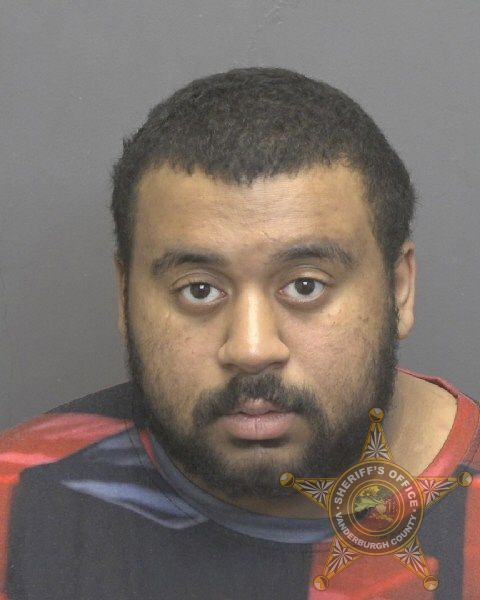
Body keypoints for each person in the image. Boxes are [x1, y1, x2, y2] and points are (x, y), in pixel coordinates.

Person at [0, 67, 478, 600]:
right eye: (199, 290)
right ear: (124, 295)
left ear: (399, 290)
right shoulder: (16, 503)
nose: (251, 349)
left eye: (305, 285)